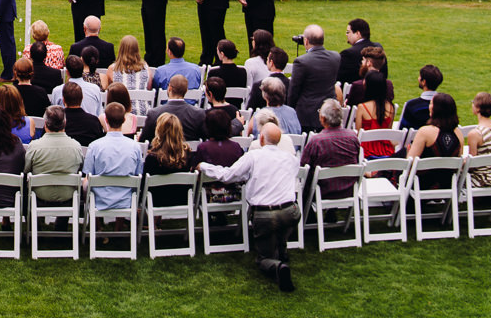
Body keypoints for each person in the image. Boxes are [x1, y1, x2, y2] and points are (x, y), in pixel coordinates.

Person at [200, 123, 299, 292]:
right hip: (291, 211)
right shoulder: (292, 159)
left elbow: (228, 175)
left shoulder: (253, 157)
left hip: (266, 214)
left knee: (263, 258)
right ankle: (281, 249)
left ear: (261, 138)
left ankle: (277, 266)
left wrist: (203, 166)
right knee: (282, 225)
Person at [82, 101, 144, 215]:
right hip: (126, 200)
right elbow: (138, 174)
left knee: (86, 182)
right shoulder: (135, 146)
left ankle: (97, 225)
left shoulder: (95, 146)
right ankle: (118, 227)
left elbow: (88, 175)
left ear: (106, 120)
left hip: (99, 200)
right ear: (124, 120)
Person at [301, 97, 361, 198]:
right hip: (348, 190)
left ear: (323, 118)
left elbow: (304, 167)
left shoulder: (317, 141)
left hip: (323, 192)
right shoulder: (352, 137)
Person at [26, 105, 86, 202]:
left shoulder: (34, 147)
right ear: (65, 123)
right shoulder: (76, 146)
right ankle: (62, 217)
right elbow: (80, 168)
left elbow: (26, 169)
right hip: (68, 194)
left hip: (40, 193)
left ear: (45, 124)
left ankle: (38, 217)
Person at [287, 24, 341, 131]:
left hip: (307, 115)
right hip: (329, 111)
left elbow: (294, 90)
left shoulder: (301, 61)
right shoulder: (335, 57)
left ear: (306, 41)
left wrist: (290, 110)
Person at [406, 92, 464, 191]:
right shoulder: (459, 134)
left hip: (421, 185)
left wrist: (408, 151)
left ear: (436, 109)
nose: (429, 106)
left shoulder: (425, 132)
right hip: (446, 184)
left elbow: (409, 161)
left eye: (431, 103)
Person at [143, 112, 195, 206]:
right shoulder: (187, 154)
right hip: (182, 199)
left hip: (156, 201)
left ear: (159, 130)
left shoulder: (152, 158)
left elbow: (144, 185)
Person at [352, 56, 397, 158]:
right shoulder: (390, 107)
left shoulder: (362, 107)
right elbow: (387, 131)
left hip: (366, 152)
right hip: (387, 151)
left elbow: (358, 134)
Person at [141, 75, 208, 141]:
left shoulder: (154, 113)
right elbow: (203, 138)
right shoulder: (199, 114)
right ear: (186, 90)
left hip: (162, 151)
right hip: (187, 151)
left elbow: (144, 139)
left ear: (169, 88)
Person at [338, 18, 384, 86]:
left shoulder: (348, 53)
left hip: (355, 93)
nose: (346, 35)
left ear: (357, 34)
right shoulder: (378, 49)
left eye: (348, 32)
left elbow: (339, 78)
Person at [399, 64, 443, 131]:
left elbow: (403, 130)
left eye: (420, 76)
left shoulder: (411, 105)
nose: (418, 78)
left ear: (423, 82)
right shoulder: (444, 103)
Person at [62, 80, 105, 146]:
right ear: (82, 98)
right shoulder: (93, 121)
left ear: (63, 100)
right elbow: (99, 144)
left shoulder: (57, 120)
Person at [26, 20, 64, 91]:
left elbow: (24, 69)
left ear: (33, 36)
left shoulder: (28, 49)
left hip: (34, 87)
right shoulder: (58, 49)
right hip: (53, 85)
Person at [244, 30, 279, 106]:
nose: (252, 41)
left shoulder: (250, 62)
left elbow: (248, 87)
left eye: (253, 39)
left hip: (257, 101)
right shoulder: (276, 60)